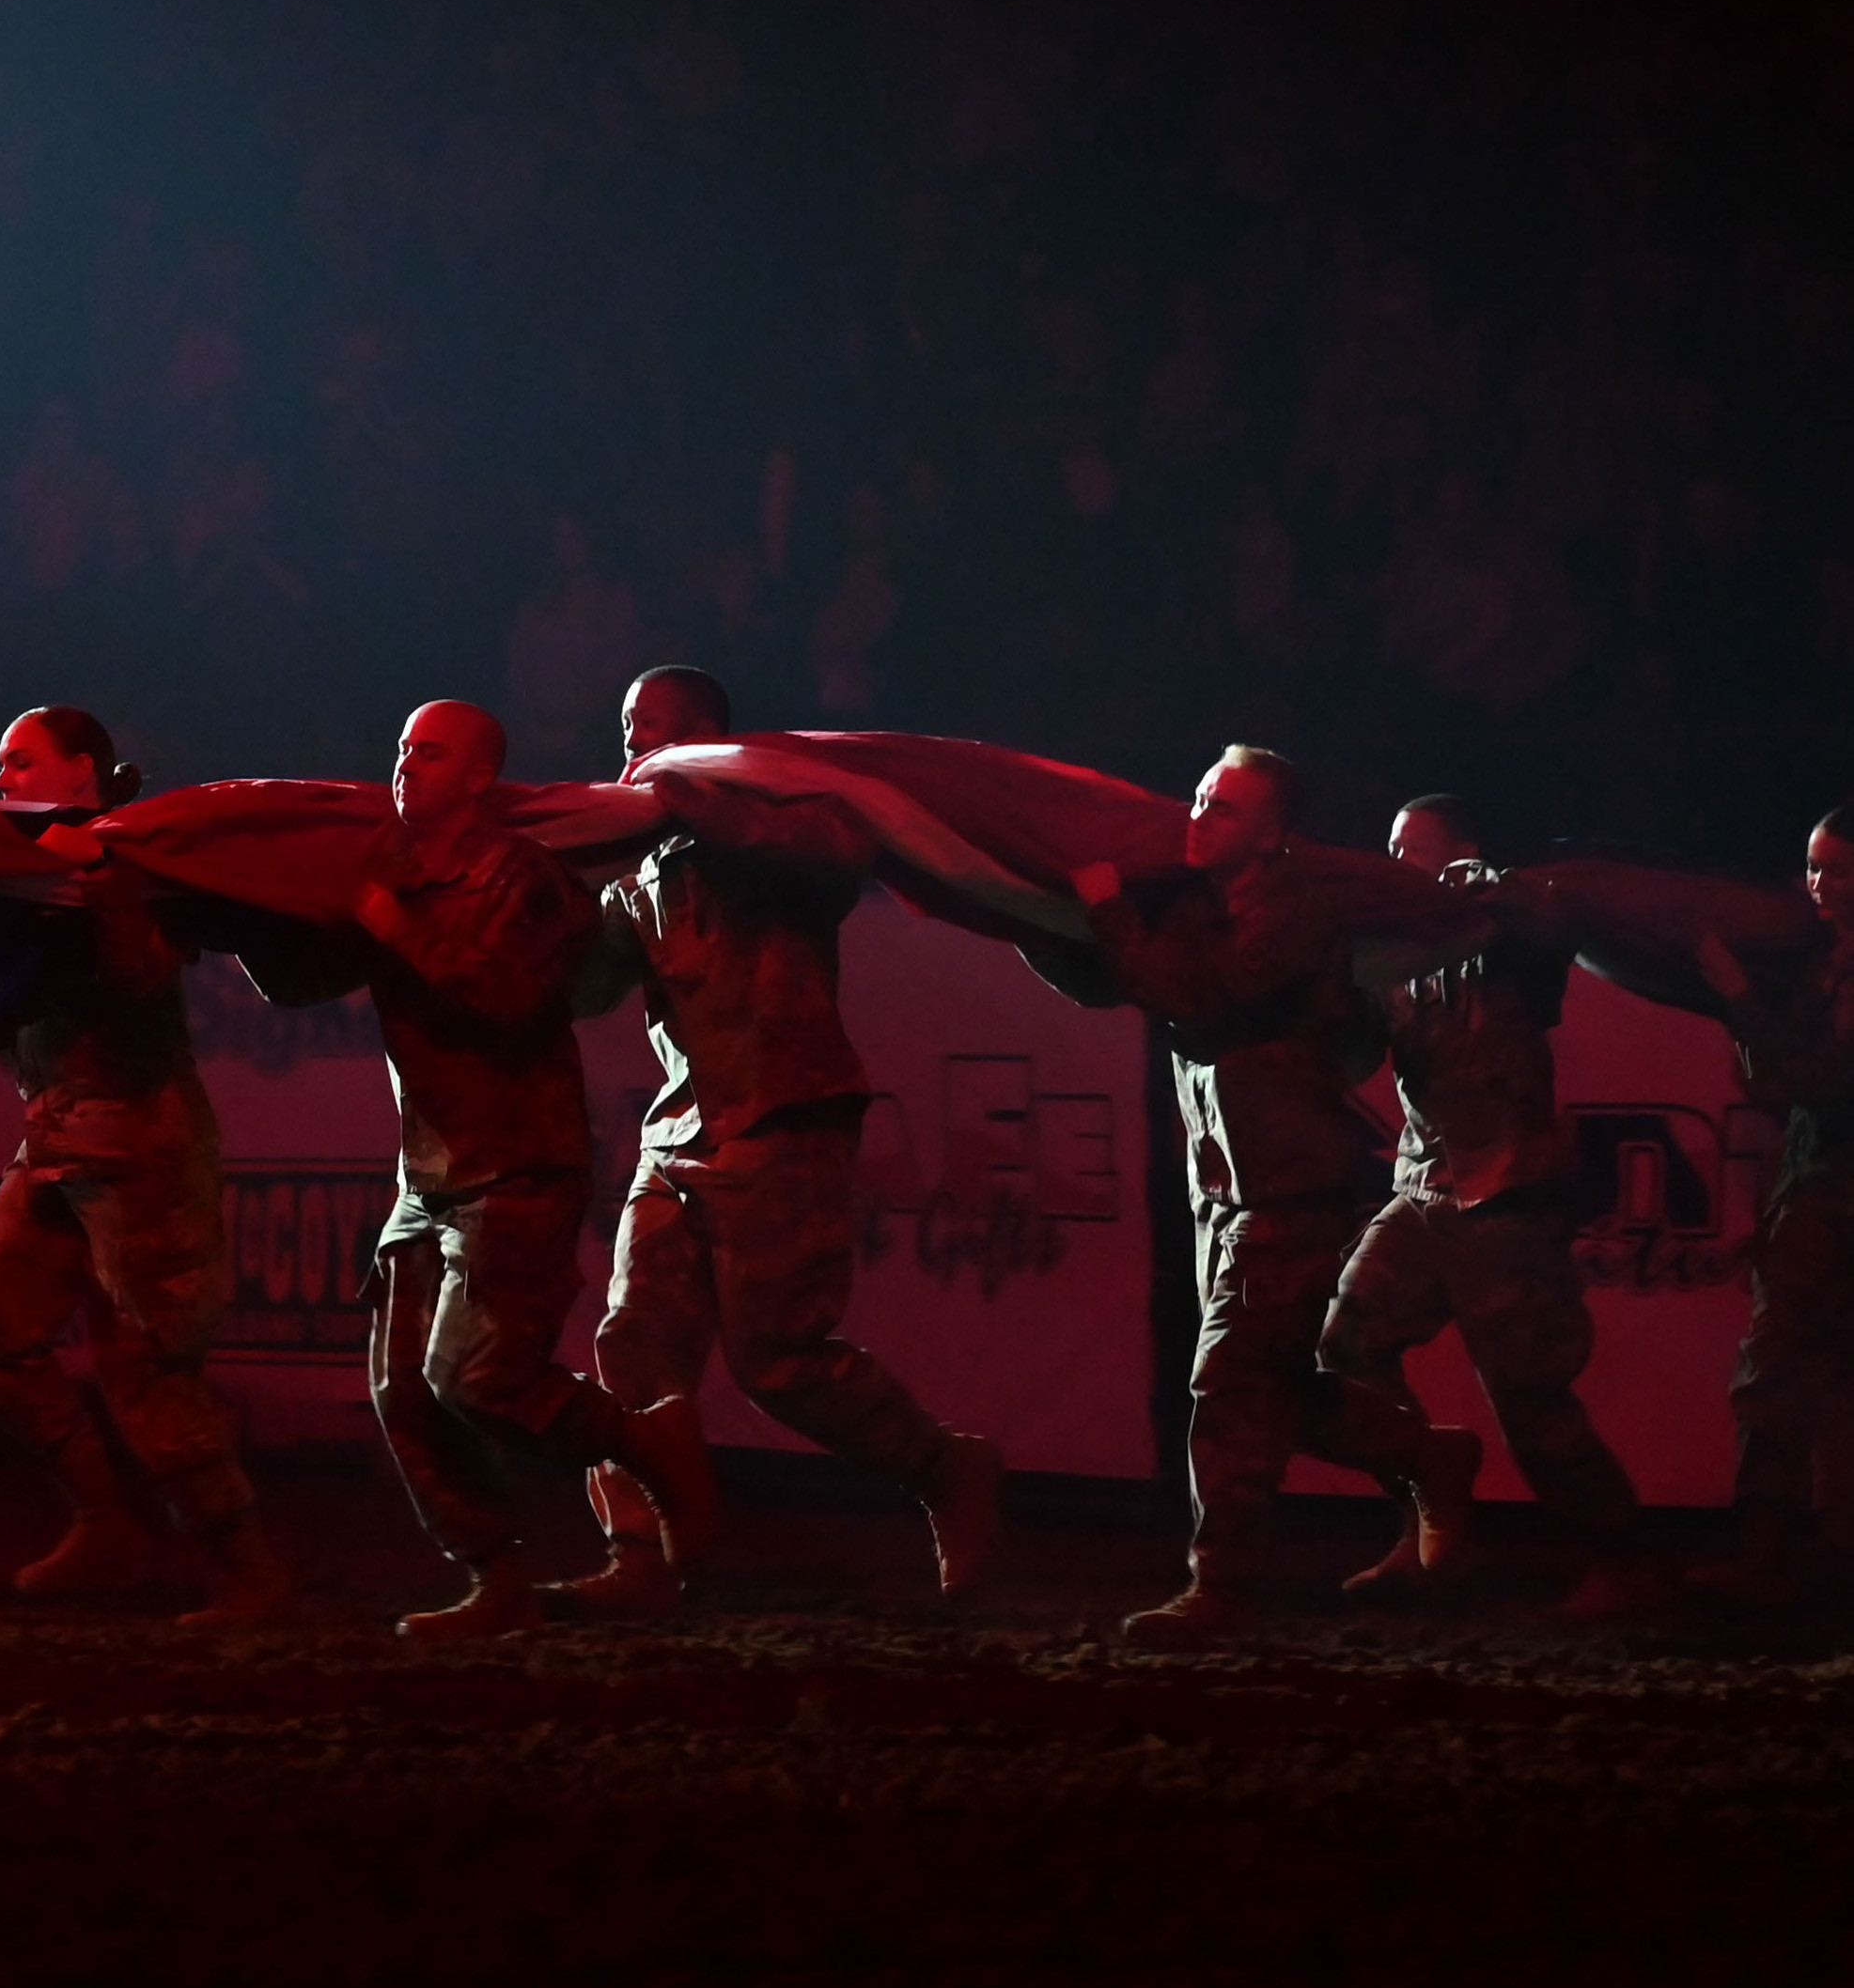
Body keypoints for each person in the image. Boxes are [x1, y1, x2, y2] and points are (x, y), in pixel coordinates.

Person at [569, 667, 1003, 1609]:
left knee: (779, 1362)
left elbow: (840, 855)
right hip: (680, 1128)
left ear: (709, 742)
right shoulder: (641, 868)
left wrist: (698, 801)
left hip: (783, 1115)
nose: (636, 747)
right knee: (633, 1339)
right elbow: (586, 989)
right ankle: (636, 1551)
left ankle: (941, 1468)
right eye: (627, 730)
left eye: (657, 730)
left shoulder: (779, 833)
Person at [328, 698, 718, 1640]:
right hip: (427, 1175)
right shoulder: (391, 869)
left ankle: (644, 1445)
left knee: (481, 1380)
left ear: (476, 777)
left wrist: (390, 926)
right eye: (400, 747)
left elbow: (507, 997)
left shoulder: (520, 877)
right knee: (402, 1392)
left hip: (514, 1165)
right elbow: (301, 975)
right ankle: (492, 1576)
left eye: (428, 752)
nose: (405, 764)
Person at [1079, 747, 1477, 1643]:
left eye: (1223, 808)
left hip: (1290, 1188)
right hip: (1226, 1185)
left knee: (1226, 1387)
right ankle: (1423, 1454)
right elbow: (1115, 983)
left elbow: (1198, 993)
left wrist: (1102, 905)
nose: (1198, 814)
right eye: (1198, 796)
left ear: (1269, 836)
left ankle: (1220, 1588)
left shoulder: (1292, 911)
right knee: (1271, 1386)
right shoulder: (1197, 903)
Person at [0, 707, 290, 1624]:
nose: (0, 777)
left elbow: (142, 975)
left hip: (141, 1149)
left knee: (148, 1377)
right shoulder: (14, 879)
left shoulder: (143, 861)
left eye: (19, 761)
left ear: (79, 772)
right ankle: (107, 1524)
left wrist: (92, 876)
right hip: (55, 1146)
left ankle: (247, 1568)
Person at [1315, 797, 1665, 1615]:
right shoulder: (1396, 951)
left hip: (1509, 1189)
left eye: (1409, 848)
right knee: (1345, 1348)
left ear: (1459, 852)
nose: (1392, 861)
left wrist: (1475, 885)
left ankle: (1623, 1562)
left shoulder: (1505, 932)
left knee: (1529, 1395)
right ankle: (1427, 1522)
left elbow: (1548, 931)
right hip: (1423, 1185)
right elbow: (1355, 1051)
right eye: (1389, 847)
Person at [1693, 812, 1854, 1592]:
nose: (1818, 885)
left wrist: (1736, 994)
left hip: (1830, 1184)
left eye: (1837, 870)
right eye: (1813, 868)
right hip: (1815, 1178)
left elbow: (1814, 1081)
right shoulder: (1820, 961)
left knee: (1779, 1363)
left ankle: (1767, 1548)